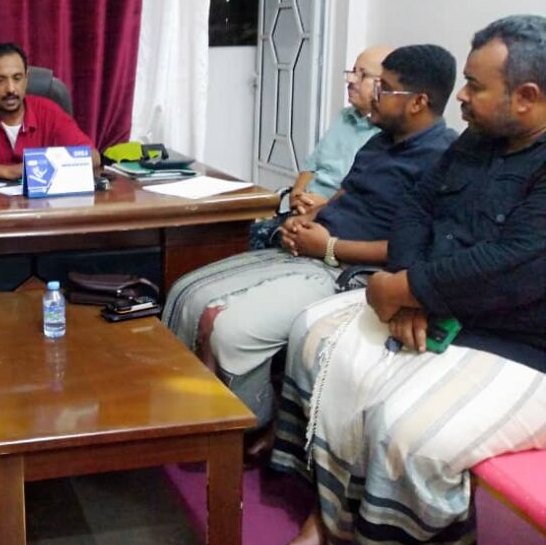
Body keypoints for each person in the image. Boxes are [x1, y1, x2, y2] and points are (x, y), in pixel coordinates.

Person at [272, 15, 546, 545]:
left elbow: (517, 263)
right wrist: (409, 288)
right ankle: (332, 519)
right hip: (441, 306)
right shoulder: (477, 140)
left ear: (526, 97)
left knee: (402, 430)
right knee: (318, 336)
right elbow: (417, 207)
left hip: (519, 342)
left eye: (475, 86)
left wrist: (410, 289)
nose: (460, 96)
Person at [161, 45, 458, 442]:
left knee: (230, 329)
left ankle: (247, 431)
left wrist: (329, 246)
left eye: (384, 88)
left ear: (418, 102)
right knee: (186, 292)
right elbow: (346, 194)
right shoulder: (380, 141)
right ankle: (189, 417)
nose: (373, 94)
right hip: (314, 250)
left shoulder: (443, 159)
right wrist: (309, 218)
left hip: (352, 270)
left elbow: (413, 250)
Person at [249, 46, 390, 248]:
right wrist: (297, 194)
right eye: (352, 72)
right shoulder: (344, 117)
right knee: (236, 238)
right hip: (302, 209)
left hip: (333, 221)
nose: (350, 80)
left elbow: (359, 192)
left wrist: (321, 206)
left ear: (385, 85)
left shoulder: (385, 135)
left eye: (362, 75)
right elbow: (312, 164)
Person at [0, 41, 100, 180]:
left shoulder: (48, 110)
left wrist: (41, 166)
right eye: (0, 80)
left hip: (42, 203)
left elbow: (92, 157)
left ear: (26, 78)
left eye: (17, 78)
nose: (10, 89)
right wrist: (8, 171)